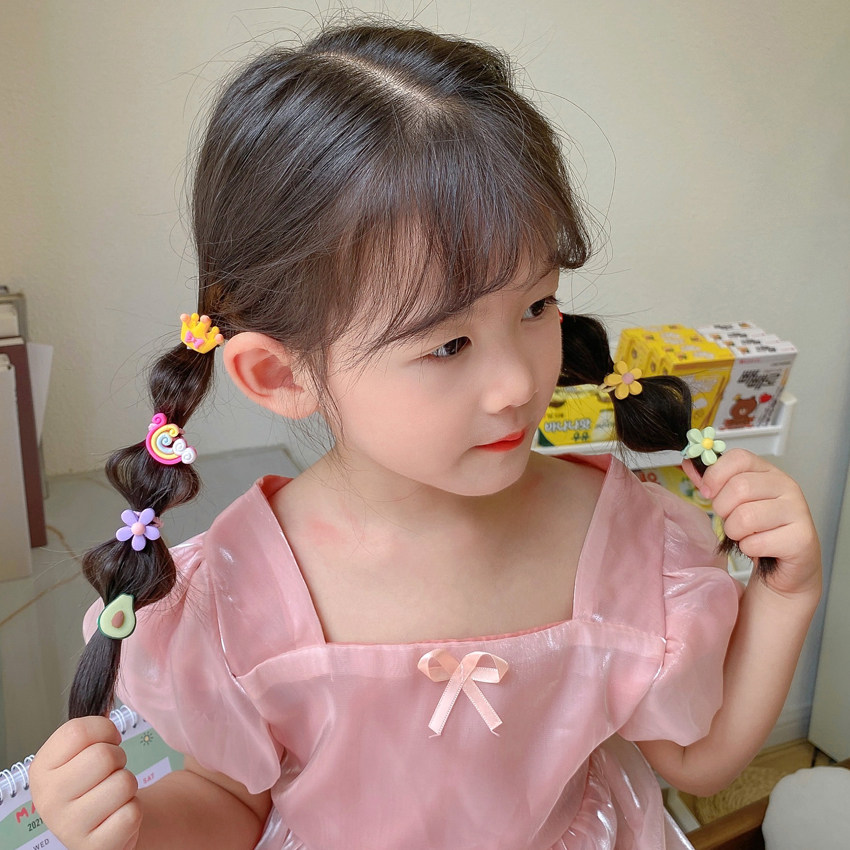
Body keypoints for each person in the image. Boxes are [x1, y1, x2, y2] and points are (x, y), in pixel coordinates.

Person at [29, 21, 821, 850]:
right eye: (448, 345)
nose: (518, 384)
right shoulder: (236, 594)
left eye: (537, 306)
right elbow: (229, 800)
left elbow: (696, 759)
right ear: (282, 375)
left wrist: (786, 594)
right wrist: (131, 828)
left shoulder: (626, 536)